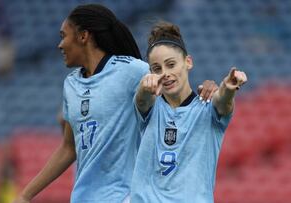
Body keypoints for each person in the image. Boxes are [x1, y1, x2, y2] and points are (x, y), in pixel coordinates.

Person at [14, 4, 217, 203]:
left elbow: (175, 90)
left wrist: (208, 89)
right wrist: (26, 195)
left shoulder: (131, 70)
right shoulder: (71, 85)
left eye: (63, 36)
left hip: (125, 195)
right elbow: (69, 148)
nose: (60, 45)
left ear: (83, 36)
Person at [130, 22, 247, 203]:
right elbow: (142, 99)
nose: (165, 73)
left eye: (171, 64)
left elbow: (222, 101)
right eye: (157, 69)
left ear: (188, 62)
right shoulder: (150, 108)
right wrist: (145, 87)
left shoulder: (207, 109)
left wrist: (228, 88)